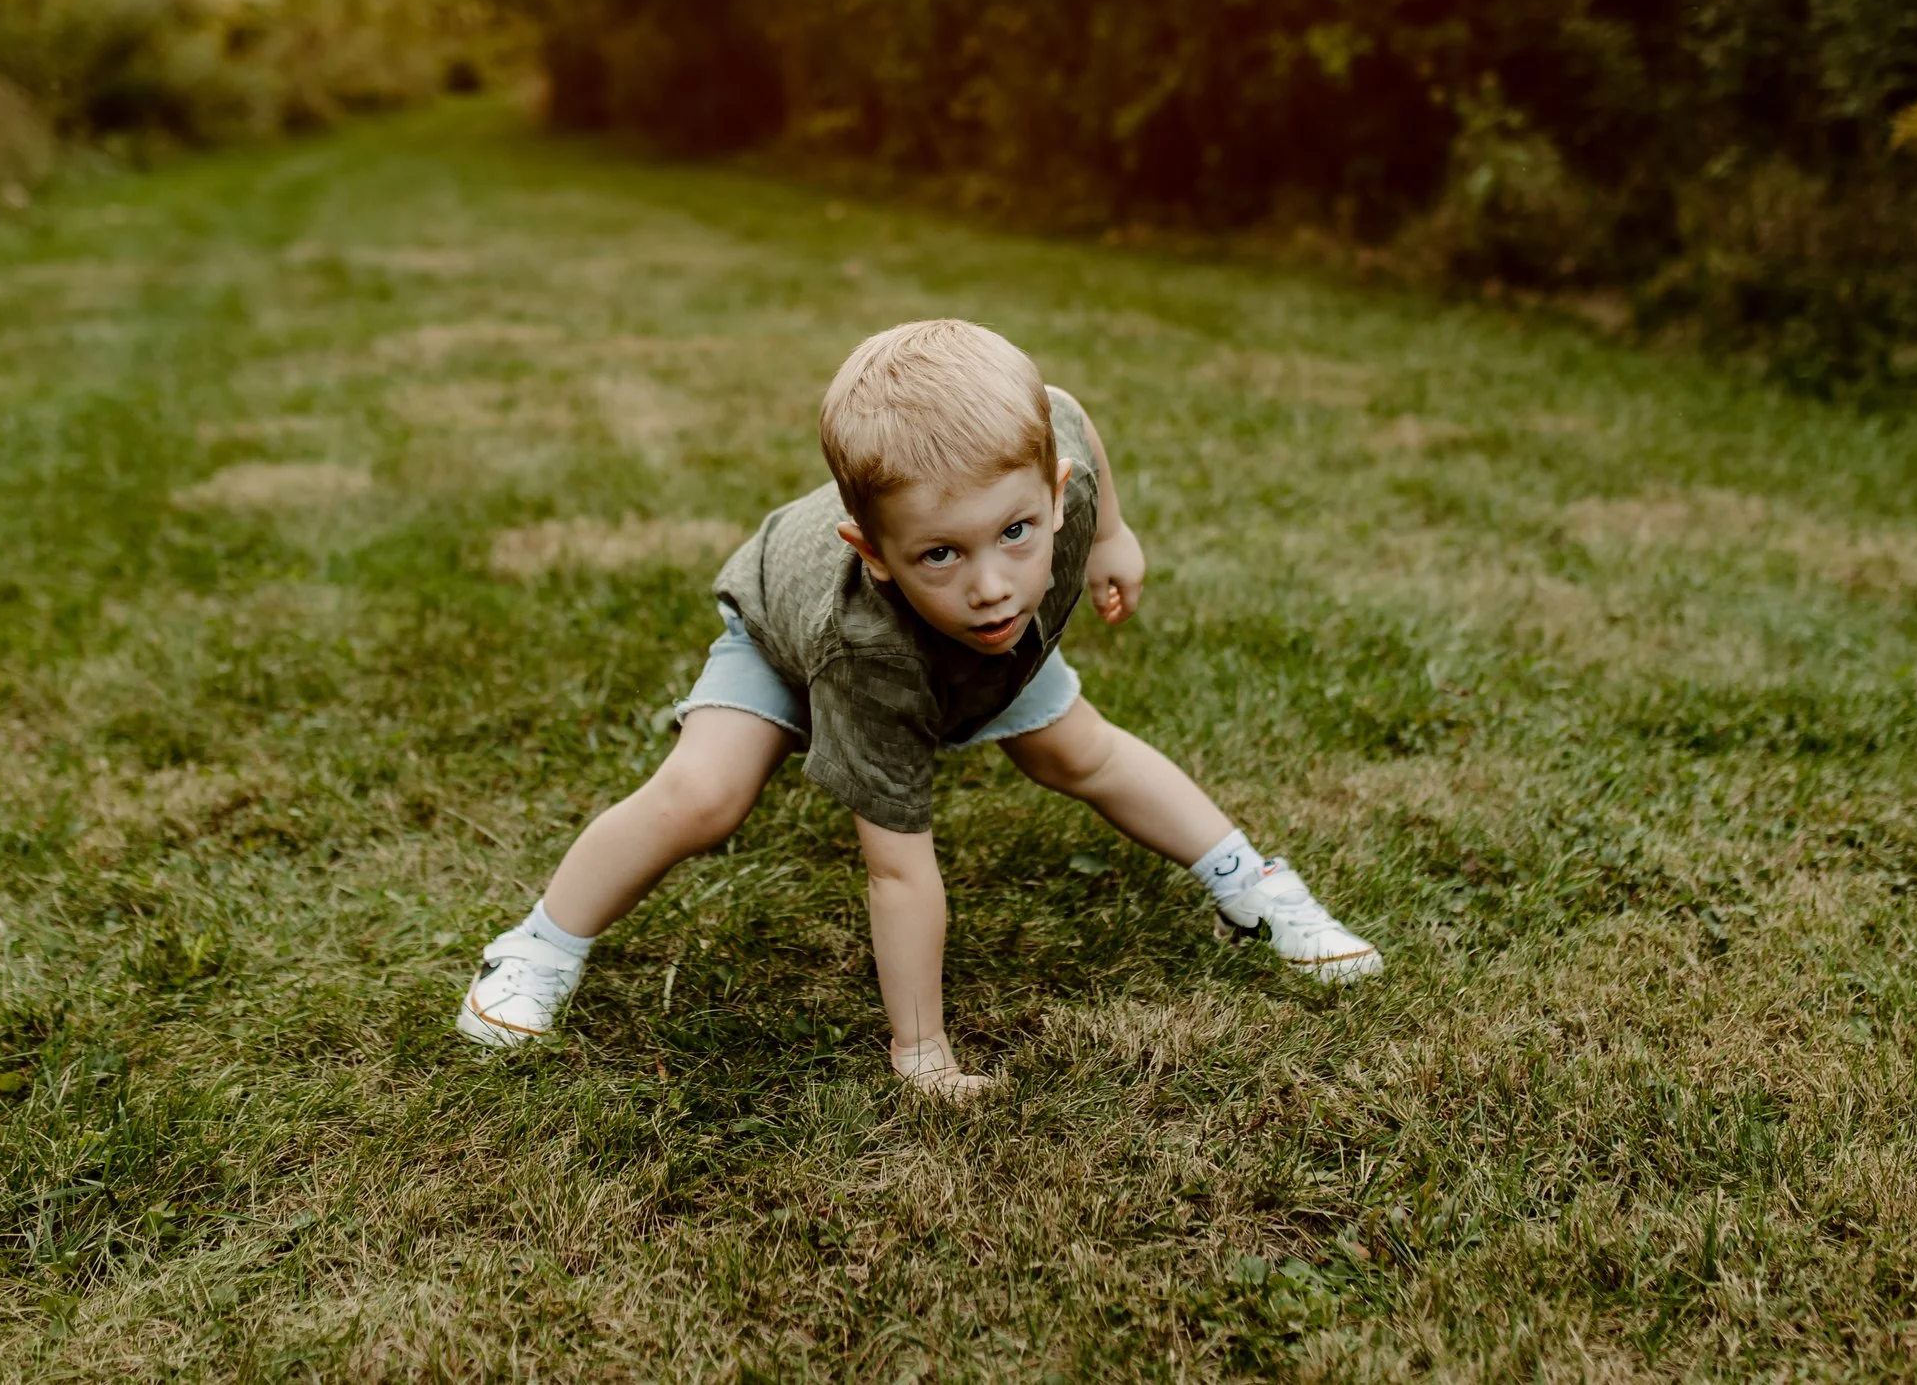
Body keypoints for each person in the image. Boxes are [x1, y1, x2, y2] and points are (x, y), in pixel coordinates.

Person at [457, 319, 1381, 1096]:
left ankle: (1252, 888)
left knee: (1080, 751)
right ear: (877, 551)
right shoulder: (865, 647)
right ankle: (536, 948)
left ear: (1053, 493)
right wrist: (922, 1051)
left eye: (1017, 533)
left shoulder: (1049, 473)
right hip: (790, 639)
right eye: (942, 552)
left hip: (969, 662)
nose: (990, 586)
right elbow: (898, 871)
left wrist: (1114, 536)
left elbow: (1071, 411)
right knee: (704, 794)